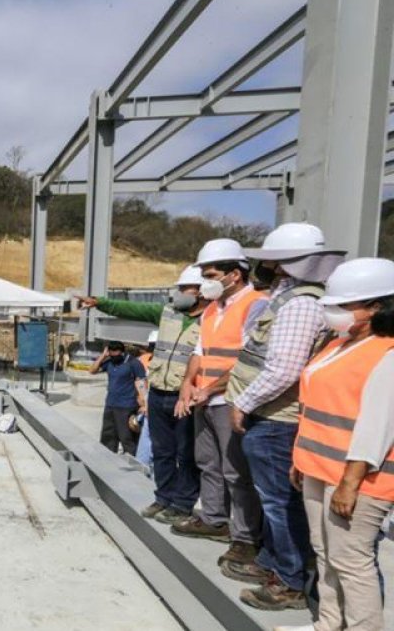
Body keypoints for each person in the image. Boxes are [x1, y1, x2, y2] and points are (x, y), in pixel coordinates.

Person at [226, 223, 343, 609]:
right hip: (271, 414)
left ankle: (290, 582)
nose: (264, 267)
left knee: (279, 503)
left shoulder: (300, 305)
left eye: (271, 262)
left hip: (276, 418)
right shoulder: (290, 298)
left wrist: (245, 401)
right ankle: (273, 563)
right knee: (273, 498)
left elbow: (283, 370)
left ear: (286, 266)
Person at [292, 257, 394, 629]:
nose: (333, 312)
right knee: (325, 553)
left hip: (359, 478)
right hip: (318, 466)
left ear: (377, 307)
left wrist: (350, 483)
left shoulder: (388, 352)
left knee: (351, 560)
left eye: (344, 305)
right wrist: (300, 459)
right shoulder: (340, 343)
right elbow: (318, 403)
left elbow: (376, 427)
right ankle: (329, 623)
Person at [78, 265, 208, 524]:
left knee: (186, 454)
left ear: (202, 291)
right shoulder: (168, 312)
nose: (179, 293)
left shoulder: (212, 319)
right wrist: (100, 303)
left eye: (185, 288)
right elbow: (131, 309)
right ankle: (163, 497)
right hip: (159, 391)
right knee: (161, 451)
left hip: (185, 396)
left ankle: (182, 504)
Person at [172, 240, 269, 558]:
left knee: (236, 472)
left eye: (211, 274)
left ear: (235, 274)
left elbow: (249, 359)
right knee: (208, 463)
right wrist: (188, 382)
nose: (206, 282)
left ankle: (244, 537)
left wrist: (210, 388)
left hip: (231, 400)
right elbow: (201, 351)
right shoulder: (213, 308)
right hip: (205, 399)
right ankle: (214, 519)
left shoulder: (256, 305)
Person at [89, 341, 147, 456]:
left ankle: (131, 460)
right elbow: (92, 370)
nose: (114, 357)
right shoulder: (110, 362)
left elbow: (141, 382)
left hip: (126, 405)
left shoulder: (133, 363)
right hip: (110, 404)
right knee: (108, 435)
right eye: (112, 354)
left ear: (123, 352)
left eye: (116, 355)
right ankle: (107, 458)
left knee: (126, 436)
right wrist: (103, 356)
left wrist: (144, 403)